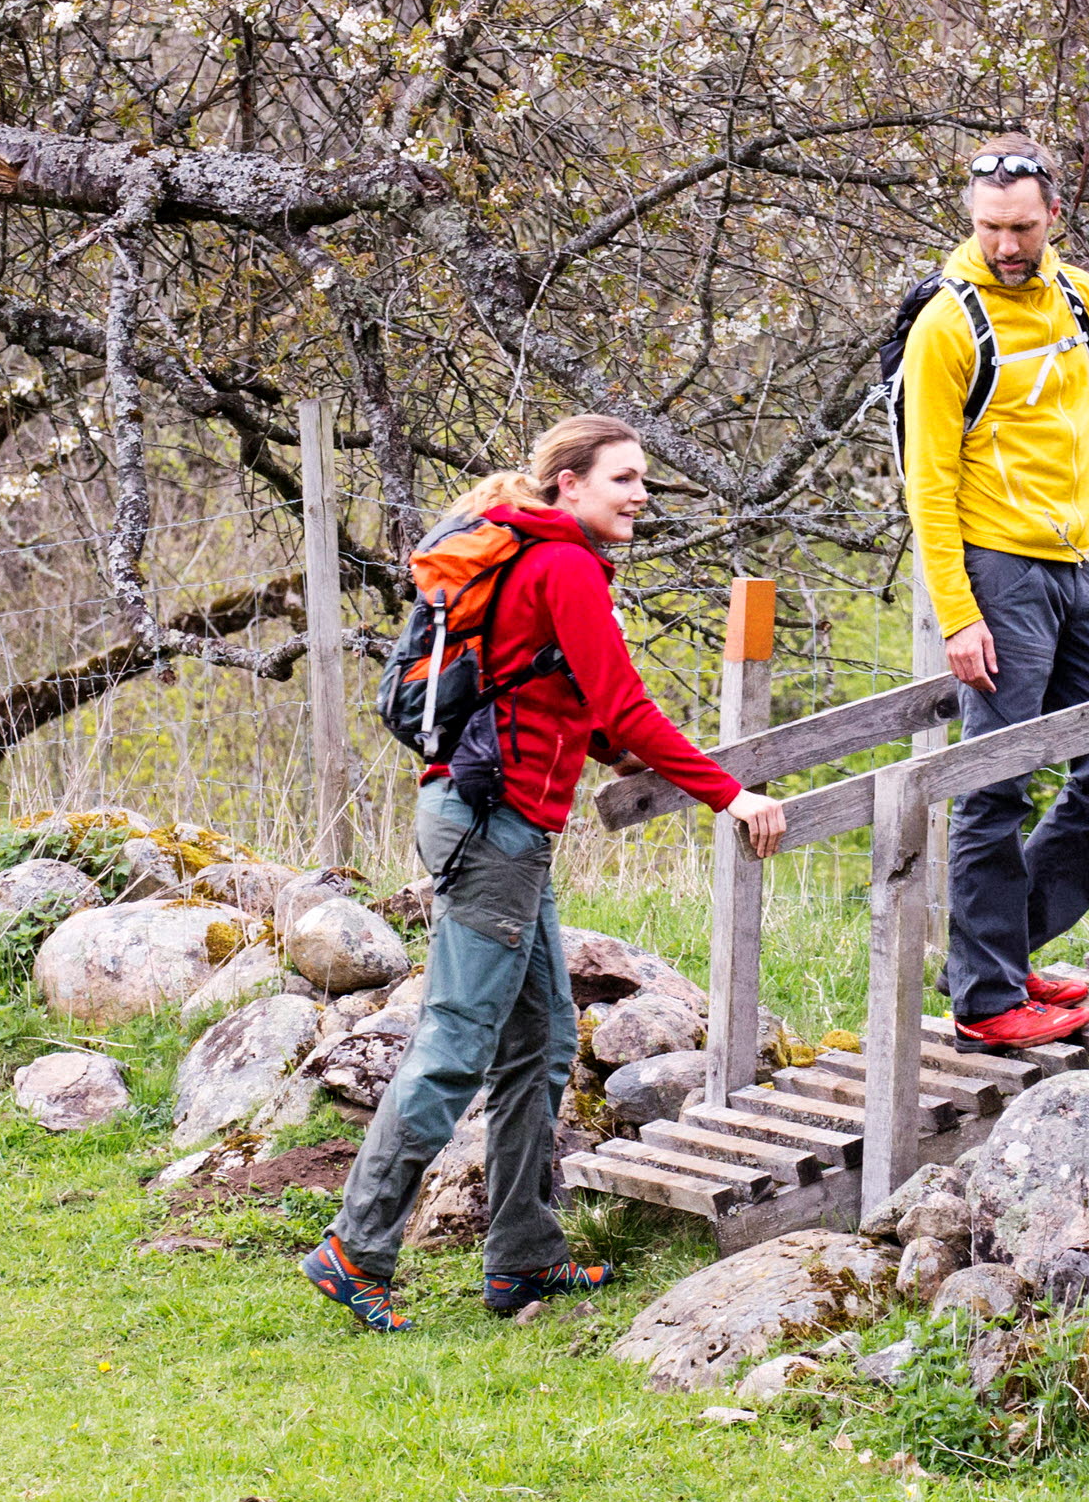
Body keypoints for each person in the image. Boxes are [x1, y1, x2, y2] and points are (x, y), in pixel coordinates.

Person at [303, 414, 789, 1335]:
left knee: (544, 1033)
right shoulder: (562, 563)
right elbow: (626, 704)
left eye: (643, 478)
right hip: (491, 829)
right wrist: (729, 793)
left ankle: (522, 1255)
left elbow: (573, 703)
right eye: (624, 478)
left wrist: (608, 749)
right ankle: (354, 1247)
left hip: (503, 823)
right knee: (455, 1042)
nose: (641, 493)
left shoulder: (546, 559)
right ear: (570, 483)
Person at [899, 138, 1089, 1049]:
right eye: (987, 227)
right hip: (996, 571)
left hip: (1081, 566)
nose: (1005, 244)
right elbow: (925, 483)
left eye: (1020, 226)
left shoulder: (1082, 299)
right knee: (994, 784)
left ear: (1054, 215)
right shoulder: (947, 322)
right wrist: (959, 615)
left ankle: (1001, 950)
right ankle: (985, 1000)